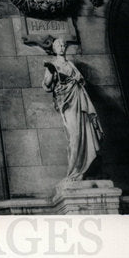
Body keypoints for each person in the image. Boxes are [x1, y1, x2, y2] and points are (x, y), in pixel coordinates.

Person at [39, 38, 103, 182]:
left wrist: (76, 80)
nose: (61, 47)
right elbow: (46, 86)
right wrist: (53, 75)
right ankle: (74, 170)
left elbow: (81, 80)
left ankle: (83, 169)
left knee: (85, 131)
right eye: (58, 45)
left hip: (79, 99)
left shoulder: (70, 64)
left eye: (63, 45)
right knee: (75, 135)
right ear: (54, 49)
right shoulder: (53, 65)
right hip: (66, 102)